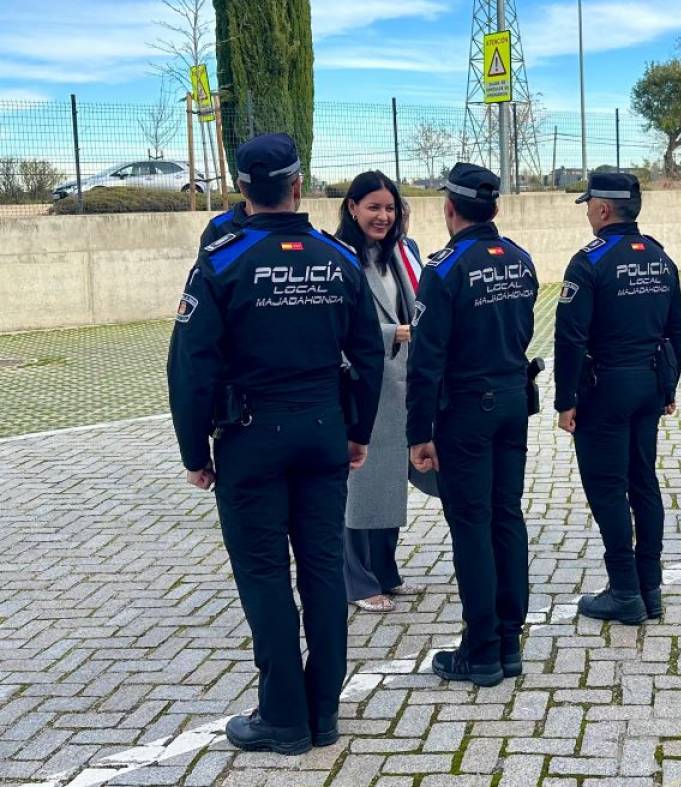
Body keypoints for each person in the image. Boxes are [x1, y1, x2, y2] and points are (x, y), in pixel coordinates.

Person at [167, 132, 384, 755]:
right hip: (322, 434)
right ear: (298, 184)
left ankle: (284, 718)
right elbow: (367, 353)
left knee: (264, 576)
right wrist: (357, 431)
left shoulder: (222, 259)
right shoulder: (336, 257)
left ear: (241, 188)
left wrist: (194, 452)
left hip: (251, 438)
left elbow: (190, 365)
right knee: (321, 571)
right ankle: (324, 712)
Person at [406, 162, 537, 687]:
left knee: (472, 526)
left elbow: (425, 361)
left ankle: (480, 650)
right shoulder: (521, 260)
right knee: (507, 516)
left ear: (450, 209)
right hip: (512, 402)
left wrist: (419, 434)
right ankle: (509, 640)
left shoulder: (443, 269)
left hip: (466, 411)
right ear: (496, 208)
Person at [554, 172, 681, 625]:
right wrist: (669, 386)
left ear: (604, 209)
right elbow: (677, 329)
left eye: (590, 204)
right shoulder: (658, 256)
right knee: (643, 482)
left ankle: (625, 592)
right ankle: (650, 588)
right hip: (649, 384)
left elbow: (570, 338)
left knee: (608, 489)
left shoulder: (588, 261)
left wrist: (565, 400)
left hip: (604, 390)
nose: (589, 211)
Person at [336, 172, 420, 613]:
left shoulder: (396, 256)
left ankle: (385, 570)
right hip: (362, 388)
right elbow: (339, 326)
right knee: (360, 487)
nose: (383, 216)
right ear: (352, 208)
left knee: (389, 484)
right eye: (373, 207)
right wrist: (393, 332)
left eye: (389, 208)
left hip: (399, 383)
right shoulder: (341, 258)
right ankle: (357, 579)